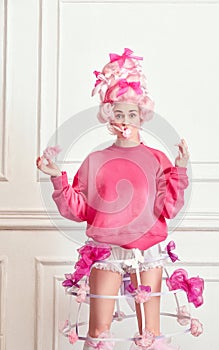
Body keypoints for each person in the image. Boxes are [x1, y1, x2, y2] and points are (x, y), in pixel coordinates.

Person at [36, 48, 189, 350]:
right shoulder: (96, 160)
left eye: (132, 114)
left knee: (150, 334)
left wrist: (180, 170)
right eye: (118, 113)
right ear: (108, 117)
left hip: (147, 252)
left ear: (142, 117)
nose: (125, 120)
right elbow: (77, 209)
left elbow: (170, 206)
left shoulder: (157, 159)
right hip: (105, 251)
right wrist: (56, 176)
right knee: (99, 333)